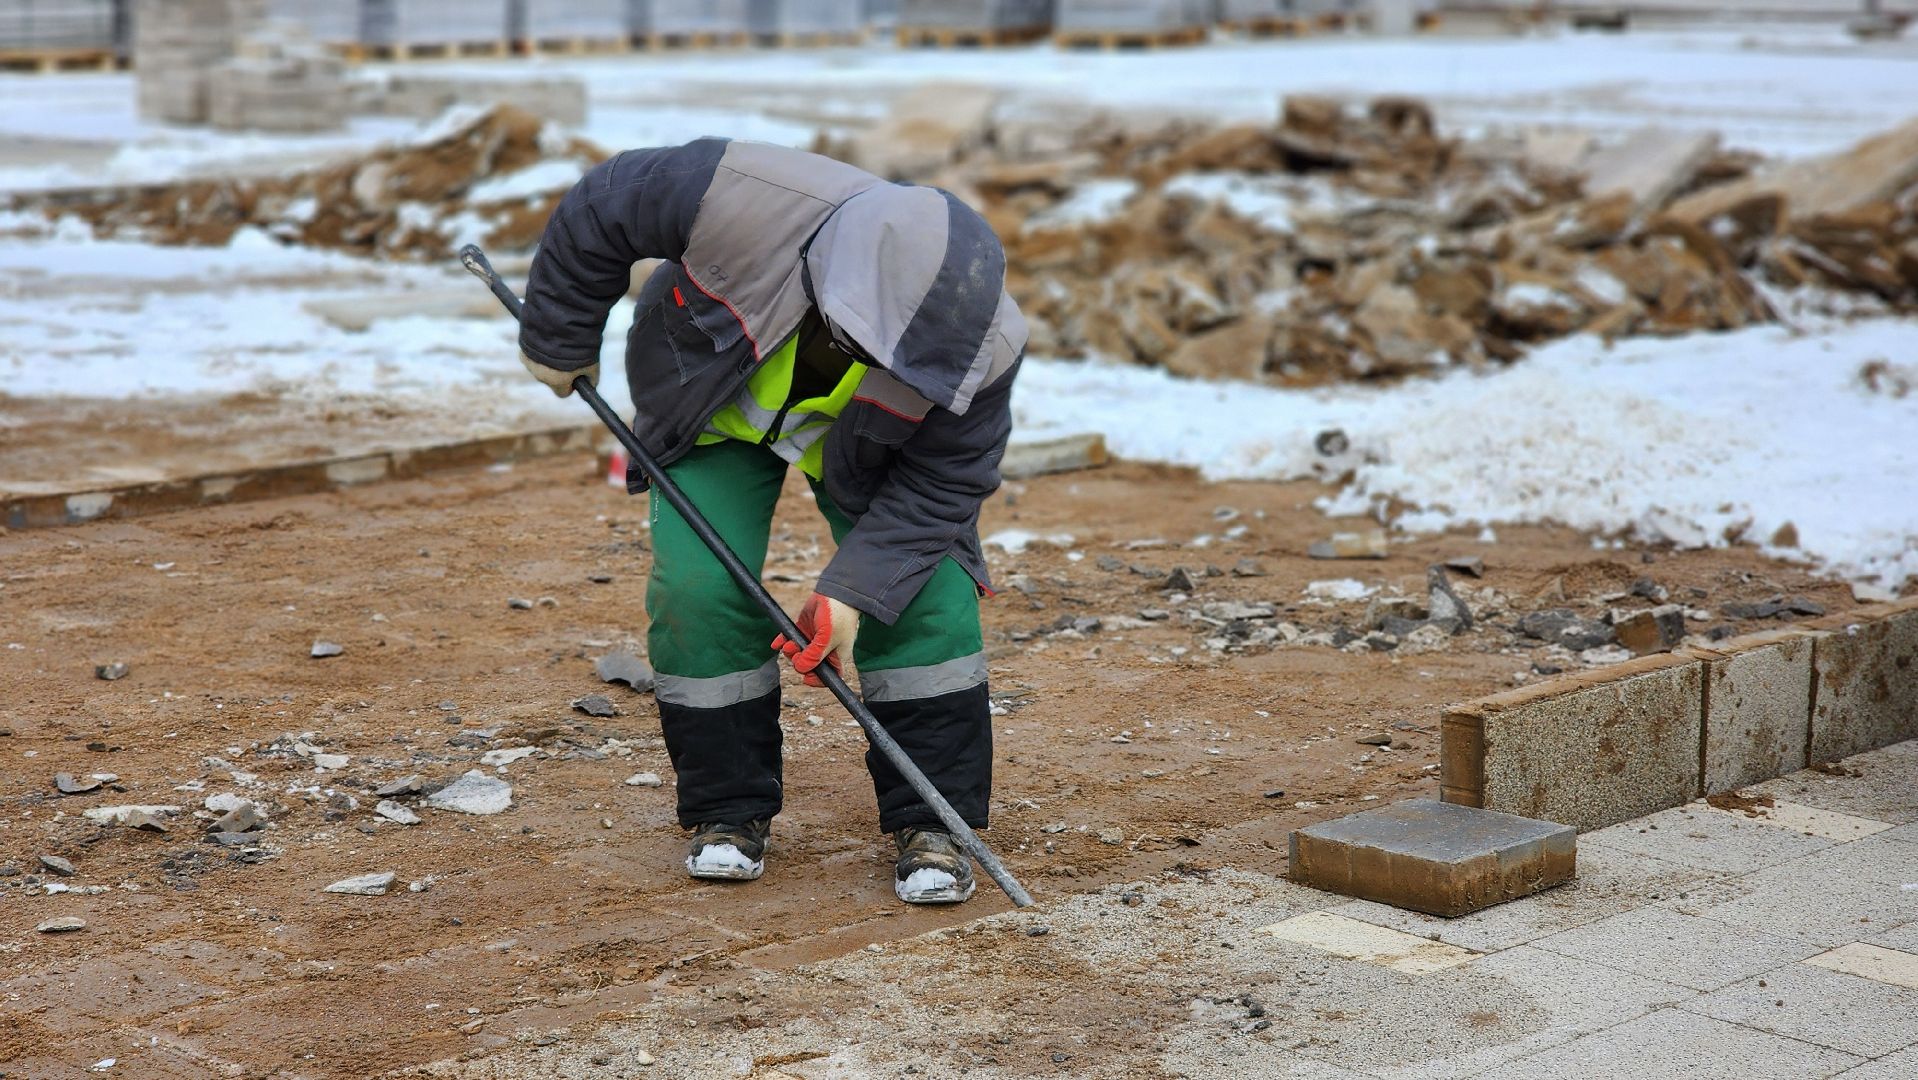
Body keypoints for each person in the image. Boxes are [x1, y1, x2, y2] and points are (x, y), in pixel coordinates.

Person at [515, 138, 1025, 905]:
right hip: (708, 405)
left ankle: (934, 820)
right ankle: (728, 809)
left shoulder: (984, 349)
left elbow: (941, 487)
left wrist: (852, 594)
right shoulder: (734, 193)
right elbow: (605, 204)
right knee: (698, 591)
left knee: (928, 596)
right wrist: (558, 336)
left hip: (866, 444)